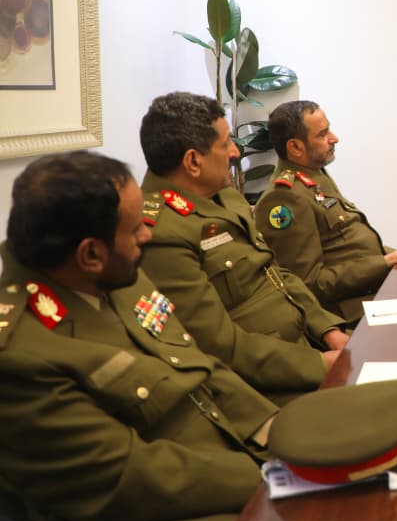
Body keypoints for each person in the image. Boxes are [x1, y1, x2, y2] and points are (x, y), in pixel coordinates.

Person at [0, 151, 277, 521]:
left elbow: (198, 364)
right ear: (91, 254)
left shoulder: (111, 276)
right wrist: (267, 475)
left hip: (220, 462)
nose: (147, 235)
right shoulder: (19, 356)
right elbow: (132, 476)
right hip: (146, 507)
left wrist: (274, 432)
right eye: (134, 230)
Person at [138, 92, 348, 402]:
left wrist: (329, 331)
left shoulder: (224, 196)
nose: (235, 152)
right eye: (225, 144)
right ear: (193, 161)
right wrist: (318, 364)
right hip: (264, 386)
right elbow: (220, 345)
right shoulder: (161, 234)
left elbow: (275, 273)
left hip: (307, 344)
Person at [254, 101, 397, 315]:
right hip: (348, 311)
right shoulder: (284, 198)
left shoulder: (313, 175)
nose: (334, 138)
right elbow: (307, 285)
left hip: (371, 290)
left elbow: (349, 247)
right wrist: (384, 263)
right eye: (323, 134)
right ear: (296, 147)